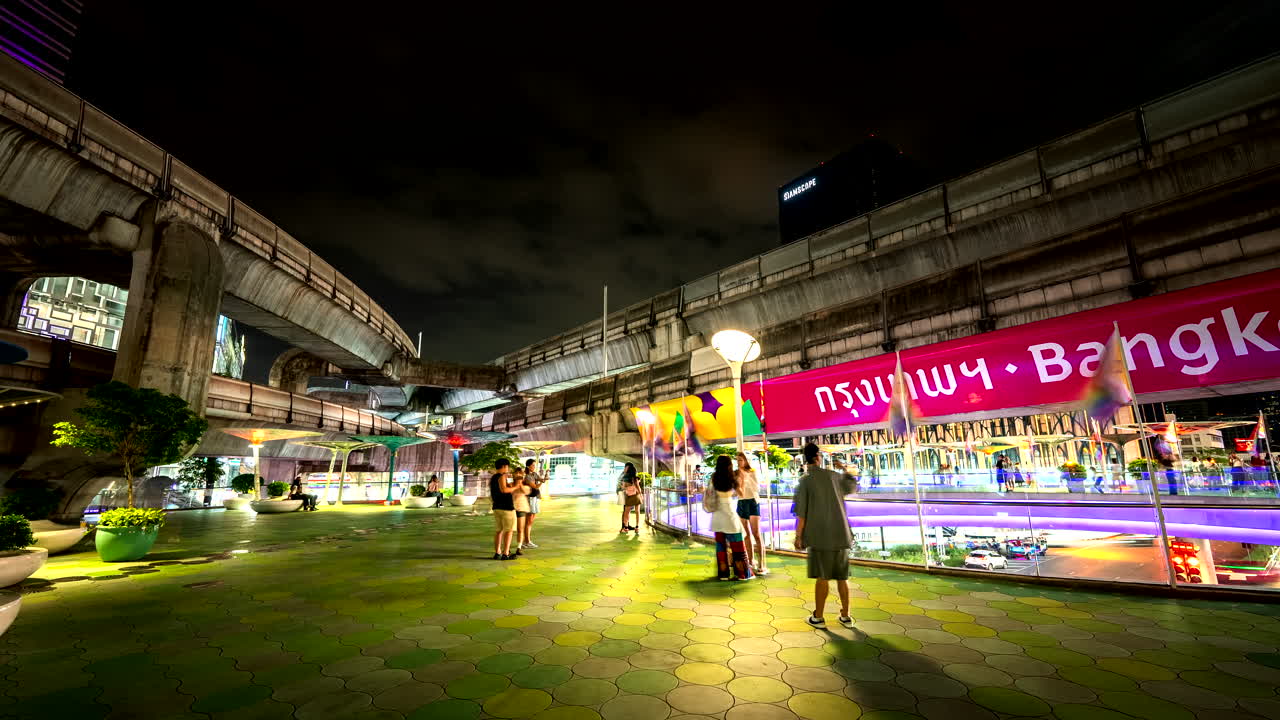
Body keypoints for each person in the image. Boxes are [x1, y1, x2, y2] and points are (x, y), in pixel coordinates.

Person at [793, 443, 857, 629]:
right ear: (818, 457)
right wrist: (845, 469)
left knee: (823, 577)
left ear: (805, 459)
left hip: (819, 535)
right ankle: (846, 616)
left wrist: (798, 537)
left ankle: (818, 617)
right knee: (842, 577)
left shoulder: (805, 481)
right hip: (841, 534)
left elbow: (801, 514)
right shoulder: (833, 476)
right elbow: (852, 487)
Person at [707, 455, 754, 581]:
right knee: (738, 546)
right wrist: (742, 481)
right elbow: (741, 494)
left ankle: (723, 574)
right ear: (729, 465)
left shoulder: (714, 477)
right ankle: (742, 573)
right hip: (729, 515)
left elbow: (710, 492)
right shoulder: (732, 478)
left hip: (717, 516)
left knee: (721, 548)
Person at [734, 451, 767, 575]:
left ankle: (762, 563)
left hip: (753, 501)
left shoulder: (752, 472)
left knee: (756, 534)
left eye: (741, 460)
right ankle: (751, 561)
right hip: (741, 502)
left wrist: (745, 478)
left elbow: (757, 488)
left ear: (746, 460)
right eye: (737, 460)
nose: (739, 462)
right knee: (746, 535)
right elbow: (737, 491)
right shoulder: (735, 473)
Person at [490, 459, 518, 560]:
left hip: (497, 507)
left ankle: (497, 552)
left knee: (499, 530)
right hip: (506, 507)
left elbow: (506, 487)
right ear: (504, 466)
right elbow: (504, 490)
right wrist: (516, 487)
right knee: (509, 531)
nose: (508, 469)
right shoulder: (502, 476)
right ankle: (506, 553)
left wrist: (511, 483)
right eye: (507, 466)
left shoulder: (493, 477)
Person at [520, 459, 545, 548]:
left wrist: (545, 475)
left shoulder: (534, 474)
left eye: (535, 465)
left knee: (530, 521)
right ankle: (526, 541)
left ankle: (526, 541)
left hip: (536, 497)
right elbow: (535, 486)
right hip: (530, 498)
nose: (534, 467)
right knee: (528, 521)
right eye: (533, 465)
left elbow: (542, 480)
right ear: (528, 466)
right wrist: (541, 481)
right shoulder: (527, 476)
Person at [510, 468, 529, 557]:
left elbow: (525, 491)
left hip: (521, 508)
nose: (518, 475)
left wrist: (520, 483)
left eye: (519, 473)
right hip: (510, 508)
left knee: (520, 529)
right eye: (516, 473)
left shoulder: (525, 486)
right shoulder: (510, 484)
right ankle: (507, 548)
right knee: (509, 529)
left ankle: (519, 547)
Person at [618, 462, 642, 533]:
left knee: (626, 512)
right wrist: (641, 495)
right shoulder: (635, 478)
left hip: (629, 496)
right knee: (637, 512)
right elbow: (638, 488)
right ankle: (637, 527)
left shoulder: (624, 478)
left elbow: (623, 487)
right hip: (636, 496)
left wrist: (627, 487)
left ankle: (625, 528)